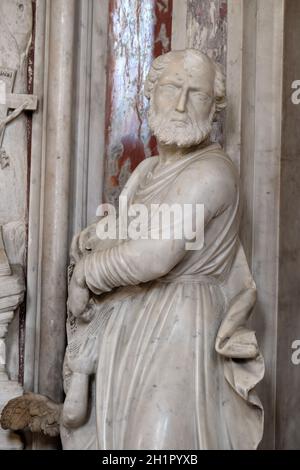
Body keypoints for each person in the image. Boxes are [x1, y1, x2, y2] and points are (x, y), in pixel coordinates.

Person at [63, 49, 264, 450]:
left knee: (159, 447)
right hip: (129, 330)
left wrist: (87, 273)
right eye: (173, 87)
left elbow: (155, 254)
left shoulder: (212, 171)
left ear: (214, 108)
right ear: (150, 93)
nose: (181, 103)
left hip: (180, 330)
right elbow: (123, 229)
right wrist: (89, 240)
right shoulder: (147, 170)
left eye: (198, 94)